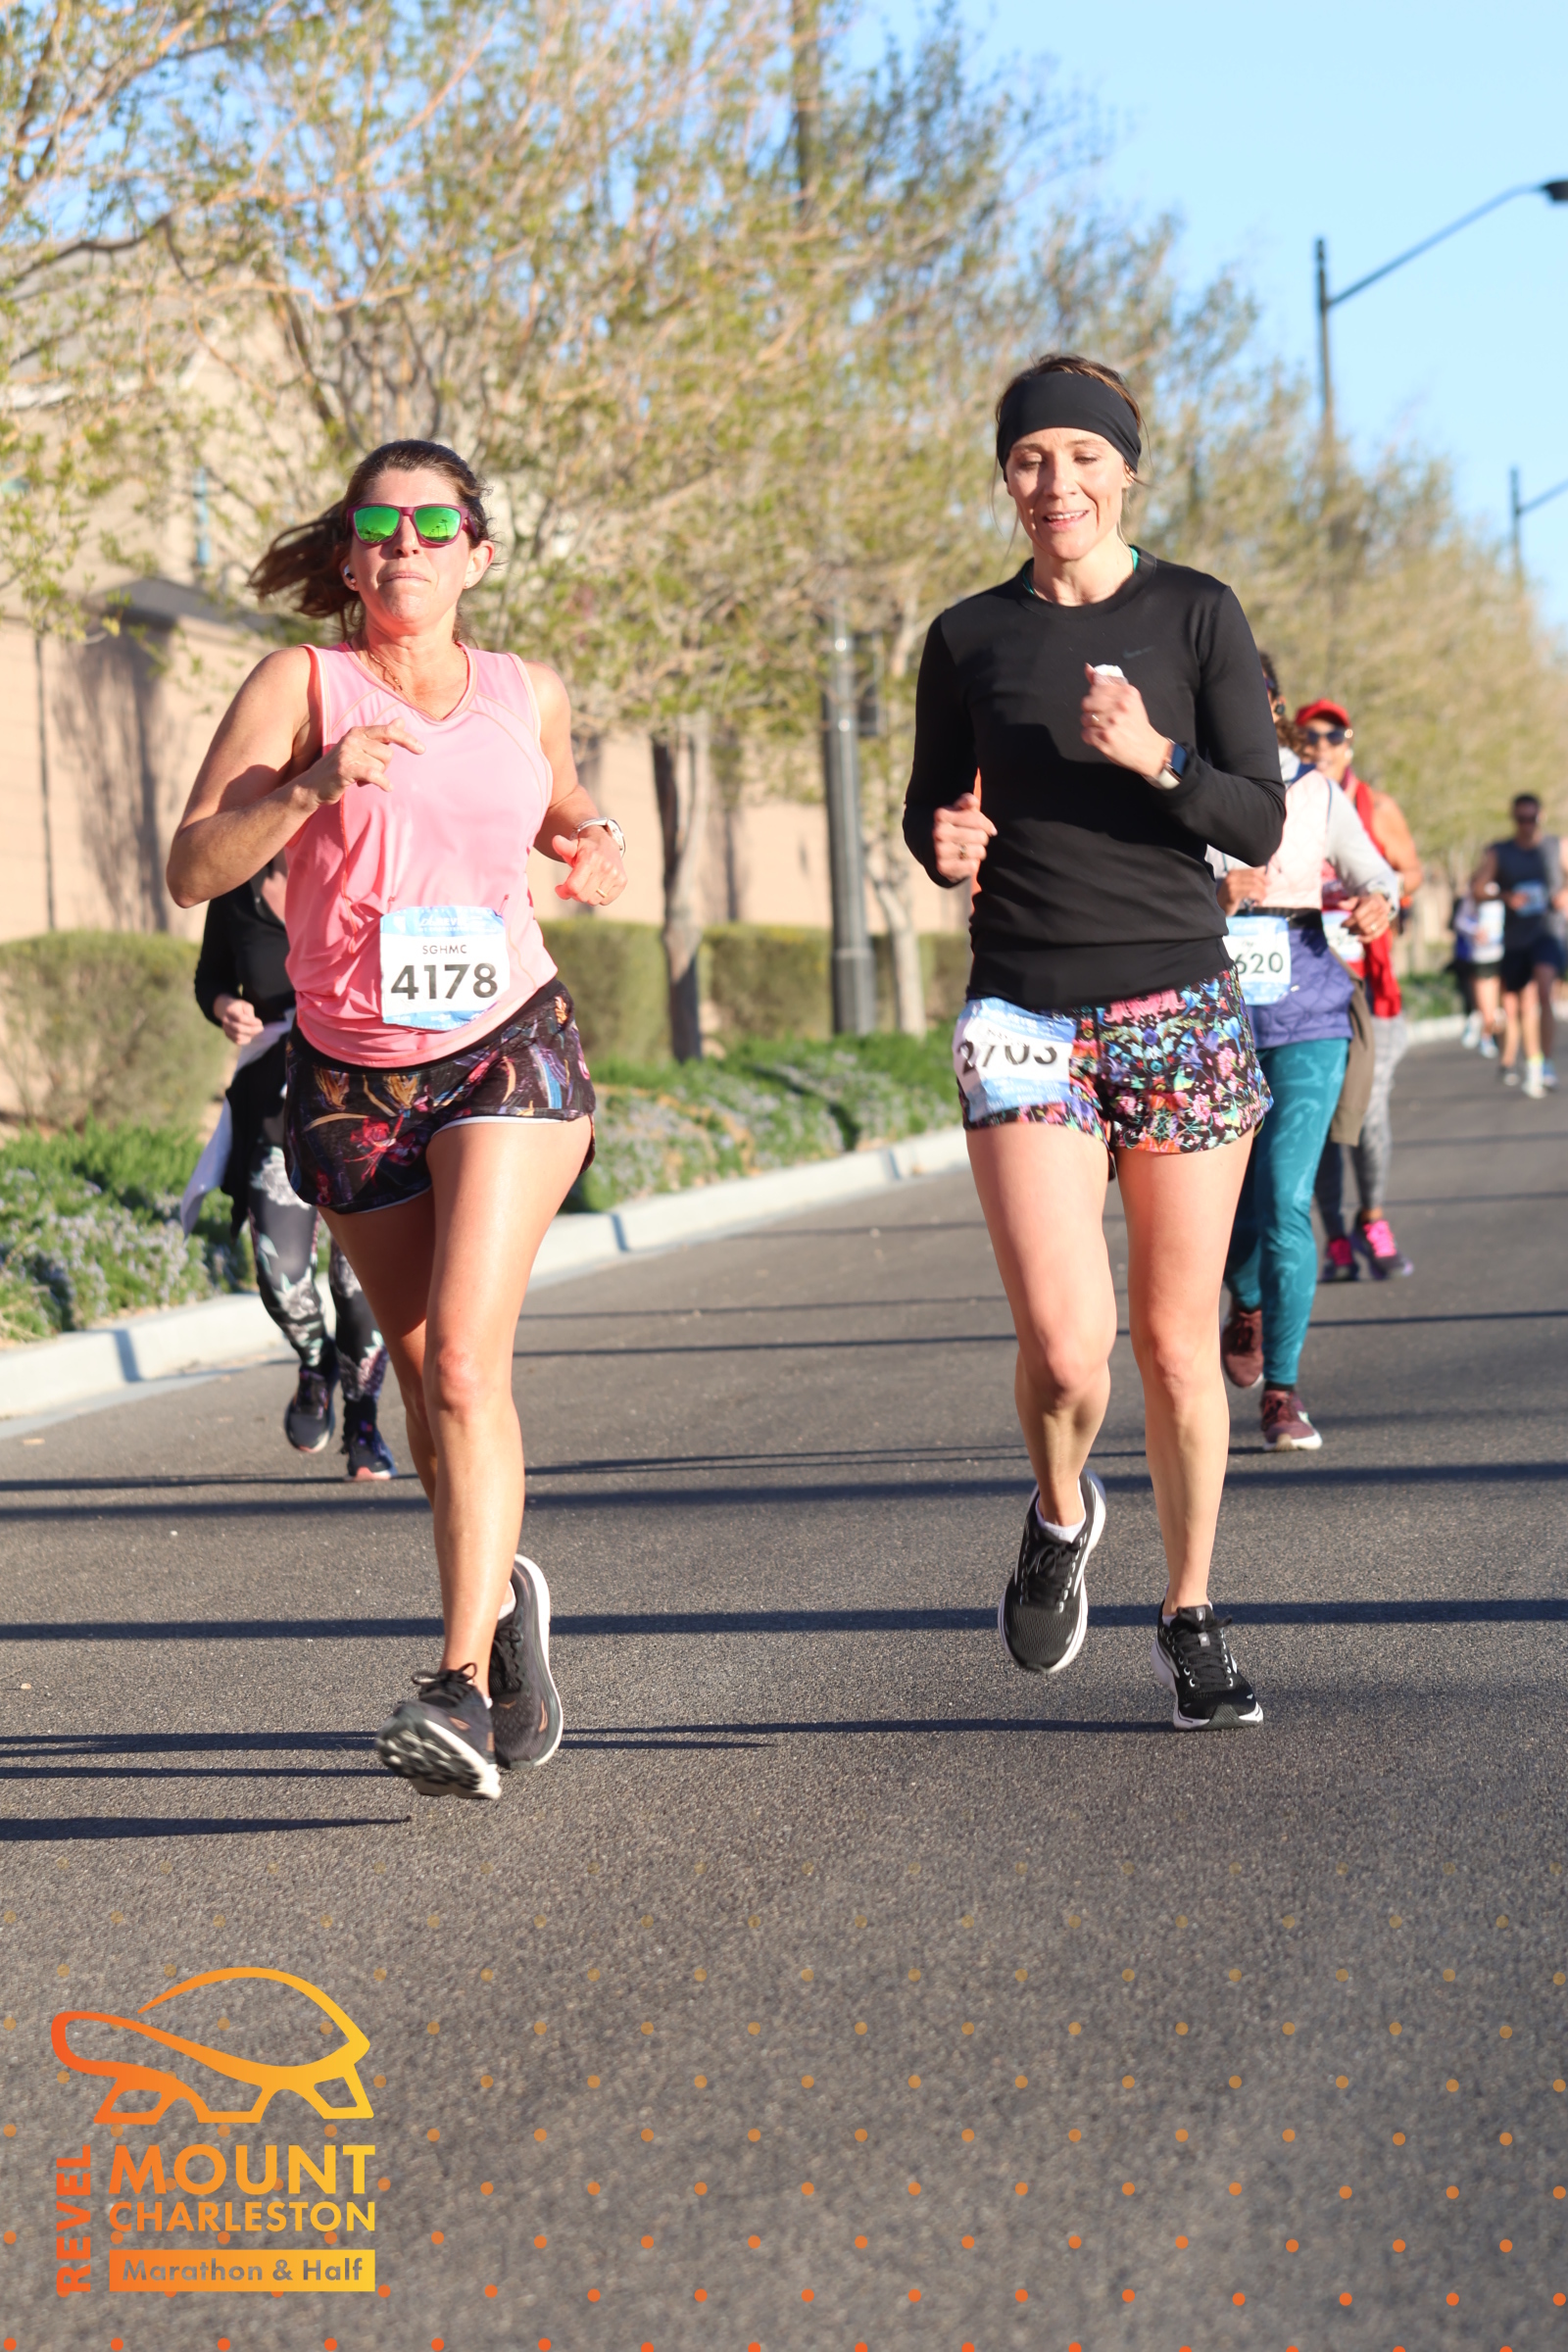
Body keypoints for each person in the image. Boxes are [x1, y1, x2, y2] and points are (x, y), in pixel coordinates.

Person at [167, 438, 627, 1800]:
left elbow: (556, 796)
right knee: (424, 1384)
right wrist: (311, 784)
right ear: (350, 554)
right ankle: (500, 1600)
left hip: (506, 1049)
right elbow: (193, 865)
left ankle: (459, 1689)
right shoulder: (299, 685)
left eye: (435, 525)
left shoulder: (524, 689)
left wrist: (590, 836)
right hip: (352, 1077)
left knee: (469, 1369)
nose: (406, 546)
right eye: (381, 525)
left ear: (477, 553)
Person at [903, 352, 1285, 1732]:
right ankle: (1061, 1513)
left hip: (1178, 1005)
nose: (1053, 483)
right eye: (1028, 460)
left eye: (1080, 457)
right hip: (1023, 1011)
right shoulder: (967, 637)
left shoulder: (1196, 613)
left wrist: (1157, 760)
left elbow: (1258, 820)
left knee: (1177, 1346)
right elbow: (931, 805)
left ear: (1126, 470)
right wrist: (943, 842)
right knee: (1069, 1351)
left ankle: (1190, 1614)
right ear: (1005, 478)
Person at [1214, 660, 1399, 1449]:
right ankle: (1247, 1298)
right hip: (1210, 1020)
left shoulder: (1314, 790)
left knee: (1287, 1196)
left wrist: (1378, 901)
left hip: (1309, 1010)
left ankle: (1283, 1393)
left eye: (1248, 696)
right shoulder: (1177, 785)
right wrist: (1213, 895)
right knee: (1233, 1209)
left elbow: (1377, 873)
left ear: (1274, 706)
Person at [188, 854, 396, 1476]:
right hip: (275, 1109)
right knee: (280, 1279)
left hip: (365, 1108)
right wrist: (225, 1006)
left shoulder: (372, 865)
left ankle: (363, 1421)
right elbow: (210, 978)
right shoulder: (238, 885)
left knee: (358, 1287)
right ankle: (316, 1363)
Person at [1297, 698, 1421, 1281]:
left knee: (1368, 1109)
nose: (1320, 745)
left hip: (1369, 986)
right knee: (1319, 1115)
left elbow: (1409, 871)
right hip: (1306, 982)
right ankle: (1336, 1239)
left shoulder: (1376, 805)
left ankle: (1372, 1218)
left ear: (1349, 745)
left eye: (1332, 736)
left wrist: (1378, 893)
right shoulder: (1285, 800)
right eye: (1309, 735)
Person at [1472, 795, 1567, 1100]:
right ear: (1513, 819)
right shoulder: (1500, 852)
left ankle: (1545, 1063)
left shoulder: (1557, 847)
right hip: (1515, 938)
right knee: (1519, 1005)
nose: (1527, 825)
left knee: (1543, 991)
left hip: (1548, 932)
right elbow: (1477, 889)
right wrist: (1504, 896)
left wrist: (1565, 894)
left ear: (1541, 816)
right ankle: (1528, 1061)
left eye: (1532, 818)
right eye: (1521, 819)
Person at [1451, 881, 1504, 1055]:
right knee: (1488, 1009)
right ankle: (1486, 1037)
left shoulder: (1508, 887)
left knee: (1503, 1008)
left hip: (1506, 954)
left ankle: (1482, 1025)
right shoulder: (1475, 891)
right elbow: (1459, 921)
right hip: (1483, 956)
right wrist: (1475, 931)